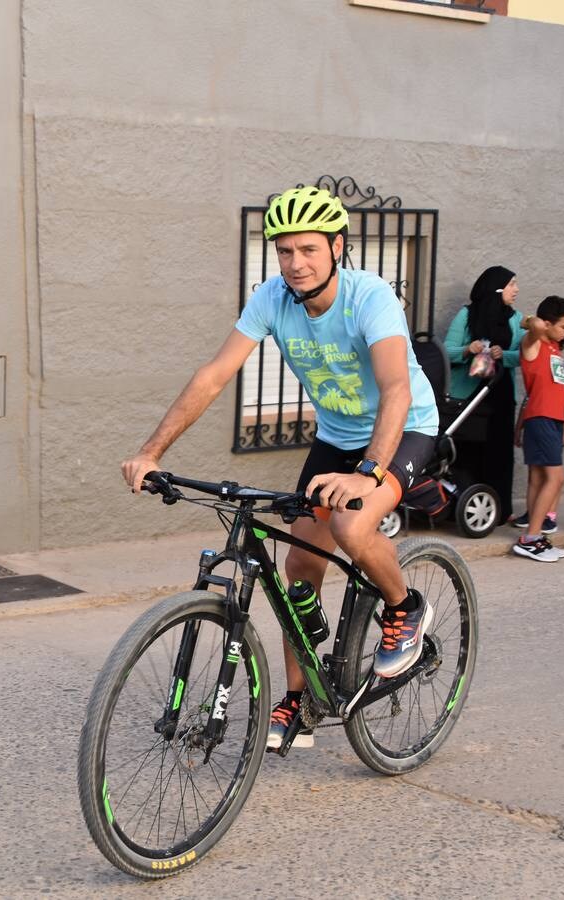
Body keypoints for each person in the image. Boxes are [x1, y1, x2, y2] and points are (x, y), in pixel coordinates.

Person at [120, 185, 440, 752]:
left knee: (350, 526)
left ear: (337, 246)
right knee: (298, 568)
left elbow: (394, 388)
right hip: (338, 438)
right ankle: (301, 698)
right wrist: (152, 451)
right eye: (285, 251)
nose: (295, 263)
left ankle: (405, 608)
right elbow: (214, 375)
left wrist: (368, 473)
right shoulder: (271, 298)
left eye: (309, 250)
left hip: (404, 429)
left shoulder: (371, 297)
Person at [443, 266, 524, 522]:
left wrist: (505, 355)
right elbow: (447, 351)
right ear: (497, 288)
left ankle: (500, 509)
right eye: (511, 285)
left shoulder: (515, 318)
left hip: (500, 391)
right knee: (467, 449)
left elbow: (525, 354)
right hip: (470, 394)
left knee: (499, 451)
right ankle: (460, 505)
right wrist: (468, 349)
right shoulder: (467, 315)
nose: (516, 290)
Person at [511, 296, 564, 562]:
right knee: (556, 478)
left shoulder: (554, 348)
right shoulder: (534, 344)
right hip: (541, 418)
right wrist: (530, 321)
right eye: (563, 326)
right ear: (547, 324)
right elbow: (534, 325)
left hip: (552, 419)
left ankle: (534, 536)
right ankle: (530, 537)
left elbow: (555, 384)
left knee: (538, 478)